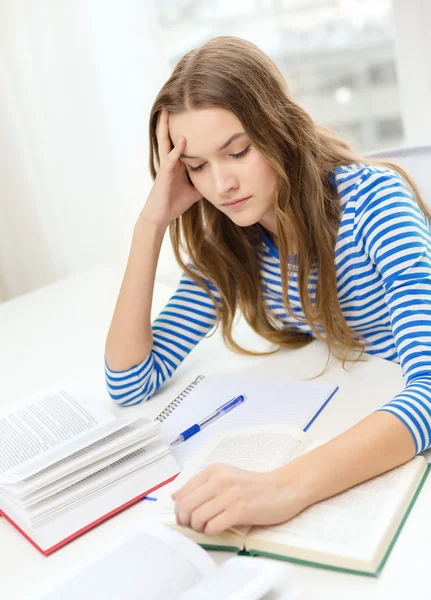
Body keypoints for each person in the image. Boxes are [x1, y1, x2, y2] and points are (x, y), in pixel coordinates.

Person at [104, 36, 431, 537]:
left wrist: (286, 487)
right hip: (368, 391)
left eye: (237, 152)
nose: (221, 185)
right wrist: (149, 225)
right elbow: (130, 381)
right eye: (196, 168)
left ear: (277, 129)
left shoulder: (375, 206)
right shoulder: (235, 245)